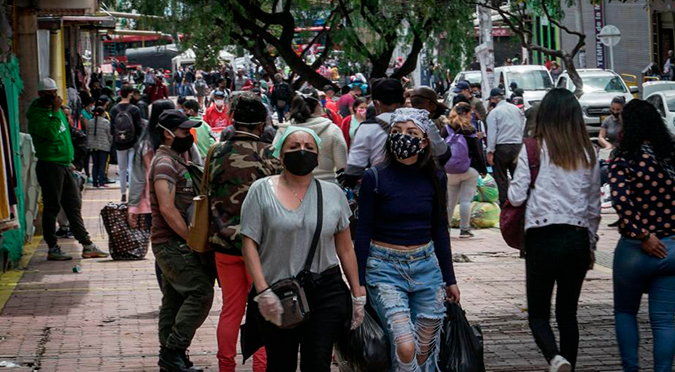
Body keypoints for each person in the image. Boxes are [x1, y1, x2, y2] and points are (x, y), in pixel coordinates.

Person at [240, 126, 365, 371]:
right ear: (281, 154)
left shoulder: (333, 194)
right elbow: (249, 243)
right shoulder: (261, 190)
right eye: (294, 147)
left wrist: (357, 292)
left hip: (325, 290)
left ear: (318, 156)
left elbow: (345, 248)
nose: (302, 152)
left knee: (318, 362)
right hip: (278, 291)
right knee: (280, 363)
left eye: (309, 148)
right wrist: (263, 291)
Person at [355, 108, 460, 371]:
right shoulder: (374, 177)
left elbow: (440, 229)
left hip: (427, 268)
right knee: (404, 345)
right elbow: (362, 231)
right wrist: (357, 284)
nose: (404, 137)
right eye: (397, 132)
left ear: (425, 141)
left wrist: (450, 279)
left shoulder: (435, 177)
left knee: (425, 349)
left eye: (412, 133)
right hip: (384, 268)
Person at [508, 88, 600, 372]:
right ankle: (568, 363)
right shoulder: (589, 151)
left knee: (538, 314)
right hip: (577, 238)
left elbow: (515, 197)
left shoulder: (533, 148)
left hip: (542, 238)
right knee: (567, 314)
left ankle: (555, 359)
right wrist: (592, 244)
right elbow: (594, 206)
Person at [206, 93, 283, 372]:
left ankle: (226, 365)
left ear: (232, 120)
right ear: (262, 124)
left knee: (231, 309)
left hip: (223, 245)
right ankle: (261, 366)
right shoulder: (269, 154)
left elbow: (207, 190)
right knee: (262, 308)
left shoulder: (216, 152)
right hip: (260, 248)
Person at [609, 99, 675, 372]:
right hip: (670, 248)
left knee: (625, 312)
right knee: (665, 320)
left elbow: (621, 202)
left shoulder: (623, 158)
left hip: (635, 250)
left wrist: (642, 234)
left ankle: (631, 369)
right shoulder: (670, 156)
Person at [150, 109, 214, 372]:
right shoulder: (165, 163)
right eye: (182, 131)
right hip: (172, 243)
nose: (188, 135)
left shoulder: (176, 159)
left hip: (175, 243)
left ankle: (171, 358)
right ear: (166, 134)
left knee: (175, 298)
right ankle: (173, 350)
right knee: (200, 293)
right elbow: (167, 208)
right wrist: (191, 239)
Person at [28, 77, 108, 261]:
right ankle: (53, 247)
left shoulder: (56, 113)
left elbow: (65, 136)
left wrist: (68, 159)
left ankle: (87, 244)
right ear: (41, 95)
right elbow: (50, 133)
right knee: (52, 207)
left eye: (56, 93)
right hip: (50, 165)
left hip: (63, 164)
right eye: (50, 94)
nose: (55, 97)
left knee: (73, 205)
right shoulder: (37, 115)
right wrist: (56, 111)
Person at [344, 78, 451, 189]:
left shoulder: (367, 128)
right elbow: (443, 153)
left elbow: (353, 171)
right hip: (421, 190)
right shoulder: (423, 121)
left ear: (376, 104)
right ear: (404, 100)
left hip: (384, 191)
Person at [274, 88, 347, 184]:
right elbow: (342, 164)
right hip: (326, 187)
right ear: (318, 105)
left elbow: (275, 162)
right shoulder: (332, 130)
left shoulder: (283, 131)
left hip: (291, 189)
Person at [445, 102, 487, 238]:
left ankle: (445, 228)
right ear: (465, 114)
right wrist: (483, 169)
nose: (471, 116)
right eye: (470, 114)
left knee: (450, 202)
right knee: (465, 200)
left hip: (450, 170)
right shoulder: (470, 129)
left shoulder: (446, 128)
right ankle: (464, 229)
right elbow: (477, 151)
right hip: (469, 169)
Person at [486, 88, 524, 205]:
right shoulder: (516, 109)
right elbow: (523, 125)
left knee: (501, 178)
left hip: (502, 148)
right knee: (517, 177)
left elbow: (492, 134)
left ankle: (504, 203)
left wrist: (490, 151)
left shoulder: (494, 113)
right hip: (517, 146)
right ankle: (520, 202)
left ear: (493, 99)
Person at [110, 84, 144, 202]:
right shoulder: (134, 109)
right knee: (131, 168)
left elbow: (111, 128)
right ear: (130, 94)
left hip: (119, 142)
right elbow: (139, 127)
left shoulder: (114, 110)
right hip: (133, 142)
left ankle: (123, 193)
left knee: (122, 169)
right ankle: (132, 193)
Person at [87, 106, 113, 188]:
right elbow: (110, 135)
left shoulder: (90, 122)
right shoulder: (106, 122)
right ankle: (102, 181)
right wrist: (110, 143)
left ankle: (95, 182)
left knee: (95, 164)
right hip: (104, 146)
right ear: (103, 113)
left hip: (92, 146)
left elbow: (87, 134)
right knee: (102, 164)